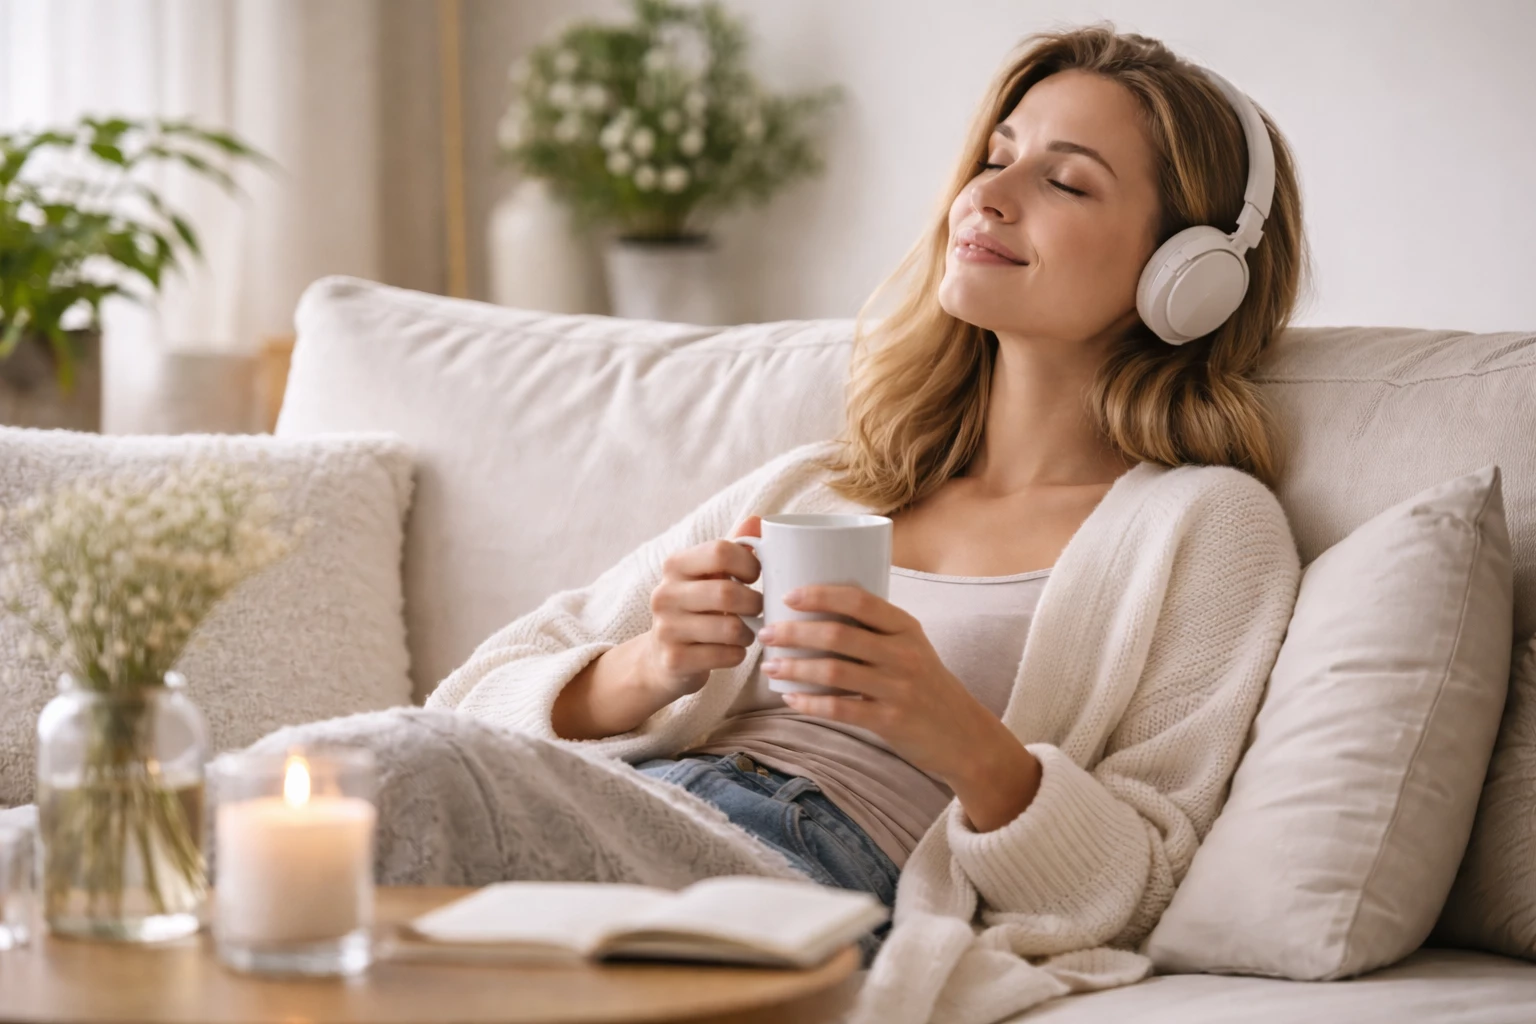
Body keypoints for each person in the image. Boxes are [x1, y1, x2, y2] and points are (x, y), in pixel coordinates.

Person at [275, 21, 1307, 1024]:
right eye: (995, 158)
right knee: (322, 799)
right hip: (633, 802)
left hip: (806, 875)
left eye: (1065, 181)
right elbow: (471, 699)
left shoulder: (1205, 526)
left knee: (384, 782)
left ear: (1189, 276)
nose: (987, 196)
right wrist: (650, 665)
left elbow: (1141, 885)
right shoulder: (824, 486)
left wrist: (958, 736)